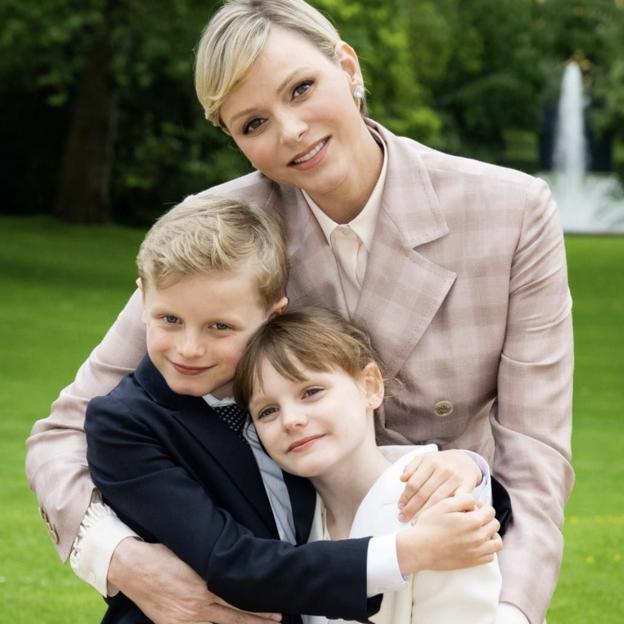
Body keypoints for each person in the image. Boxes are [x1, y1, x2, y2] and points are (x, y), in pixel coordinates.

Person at [26, 1, 574, 623]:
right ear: (232, 139)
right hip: (284, 577)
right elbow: (63, 434)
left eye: (303, 88)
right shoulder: (221, 234)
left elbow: (534, 462)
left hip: (449, 569)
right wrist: (121, 560)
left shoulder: (510, 212)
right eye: (254, 122)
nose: (290, 131)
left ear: (347, 65)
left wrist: (512, 615)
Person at [84, 195, 501, 624]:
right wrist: (409, 552)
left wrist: (465, 469)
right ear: (142, 299)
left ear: (271, 315)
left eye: (219, 326)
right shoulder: (124, 424)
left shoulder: (281, 402)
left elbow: (364, 479)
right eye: (169, 319)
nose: (189, 348)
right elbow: (228, 561)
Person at [233, 306, 503, 624]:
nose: (291, 420)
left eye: (311, 392)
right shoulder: (286, 525)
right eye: (267, 411)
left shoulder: (438, 500)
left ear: (370, 386)